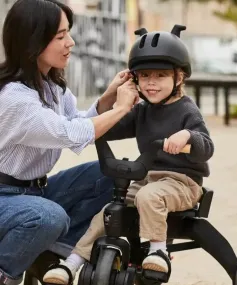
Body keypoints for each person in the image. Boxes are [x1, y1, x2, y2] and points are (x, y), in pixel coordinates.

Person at [43, 24, 215, 284]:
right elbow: (106, 127)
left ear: (178, 78)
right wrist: (116, 107)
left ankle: (159, 252)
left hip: (183, 184)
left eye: (160, 75)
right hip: (149, 180)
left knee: (148, 196)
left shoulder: (186, 111)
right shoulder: (142, 110)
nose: (151, 83)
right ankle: (72, 263)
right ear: (135, 79)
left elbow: (207, 147)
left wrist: (188, 137)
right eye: (144, 76)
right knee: (109, 211)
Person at [0, 0, 139, 284]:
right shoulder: (15, 98)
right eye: (60, 36)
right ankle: (5, 275)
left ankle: (50, 257)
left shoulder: (50, 86)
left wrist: (108, 98)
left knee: (110, 175)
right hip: (5, 197)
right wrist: (121, 109)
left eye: (69, 33)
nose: (71, 43)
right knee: (49, 217)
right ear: (33, 40)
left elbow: (77, 123)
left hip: (34, 192)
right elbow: (70, 133)